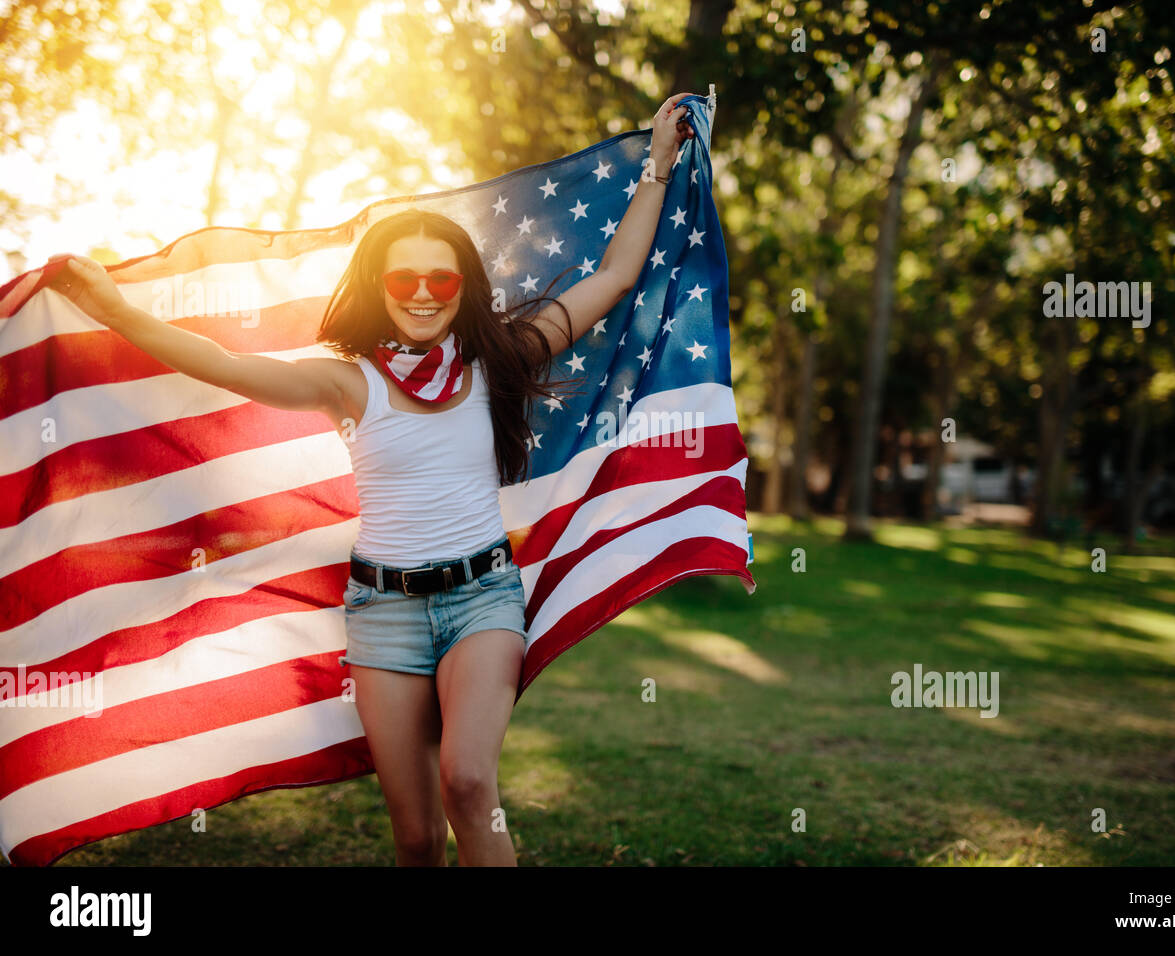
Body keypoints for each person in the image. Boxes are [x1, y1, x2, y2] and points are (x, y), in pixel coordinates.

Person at [47, 92, 697, 866]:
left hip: (482, 600)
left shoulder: (503, 359)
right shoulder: (349, 383)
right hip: (382, 614)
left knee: (466, 781)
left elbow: (617, 276)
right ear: (379, 288)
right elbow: (223, 365)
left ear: (463, 290)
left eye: (442, 280)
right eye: (403, 280)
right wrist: (115, 312)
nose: (423, 292)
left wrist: (656, 165)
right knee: (417, 834)